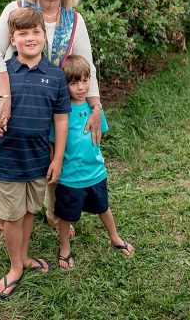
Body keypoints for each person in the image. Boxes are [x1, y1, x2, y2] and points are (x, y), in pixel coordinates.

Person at [0, 0, 102, 244]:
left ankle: (52, 211)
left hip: (55, 101)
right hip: (17, 99)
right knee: (10, 155)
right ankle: (1, 218)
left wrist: (96, 106)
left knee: (55, 155)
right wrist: (5, 97)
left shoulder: (74, 21)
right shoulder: (17, 9)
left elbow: (87, 66)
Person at [0, 7, 70, 299]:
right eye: (23, 33)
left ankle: (26, 255)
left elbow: (60, 118)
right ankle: (16, 266)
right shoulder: (2, 71)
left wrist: (56, 159)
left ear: (44, 36)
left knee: (30, 211)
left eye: (36, 32)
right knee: (12, 217)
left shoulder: (56, 76)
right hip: (7, 158)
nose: (30, 38)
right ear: (12, 39)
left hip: (38, 159)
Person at [51, 55, 134, 269]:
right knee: (65, 216)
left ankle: (114, 237)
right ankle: (64, 248)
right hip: (70, 176)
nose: (81, 87)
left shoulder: (95, 110)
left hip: (96, 172)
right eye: (74, 82)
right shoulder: (61, 114)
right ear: (65, 84)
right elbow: (53, 143)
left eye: (85, 80)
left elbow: (98, 136)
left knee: (103, 207)